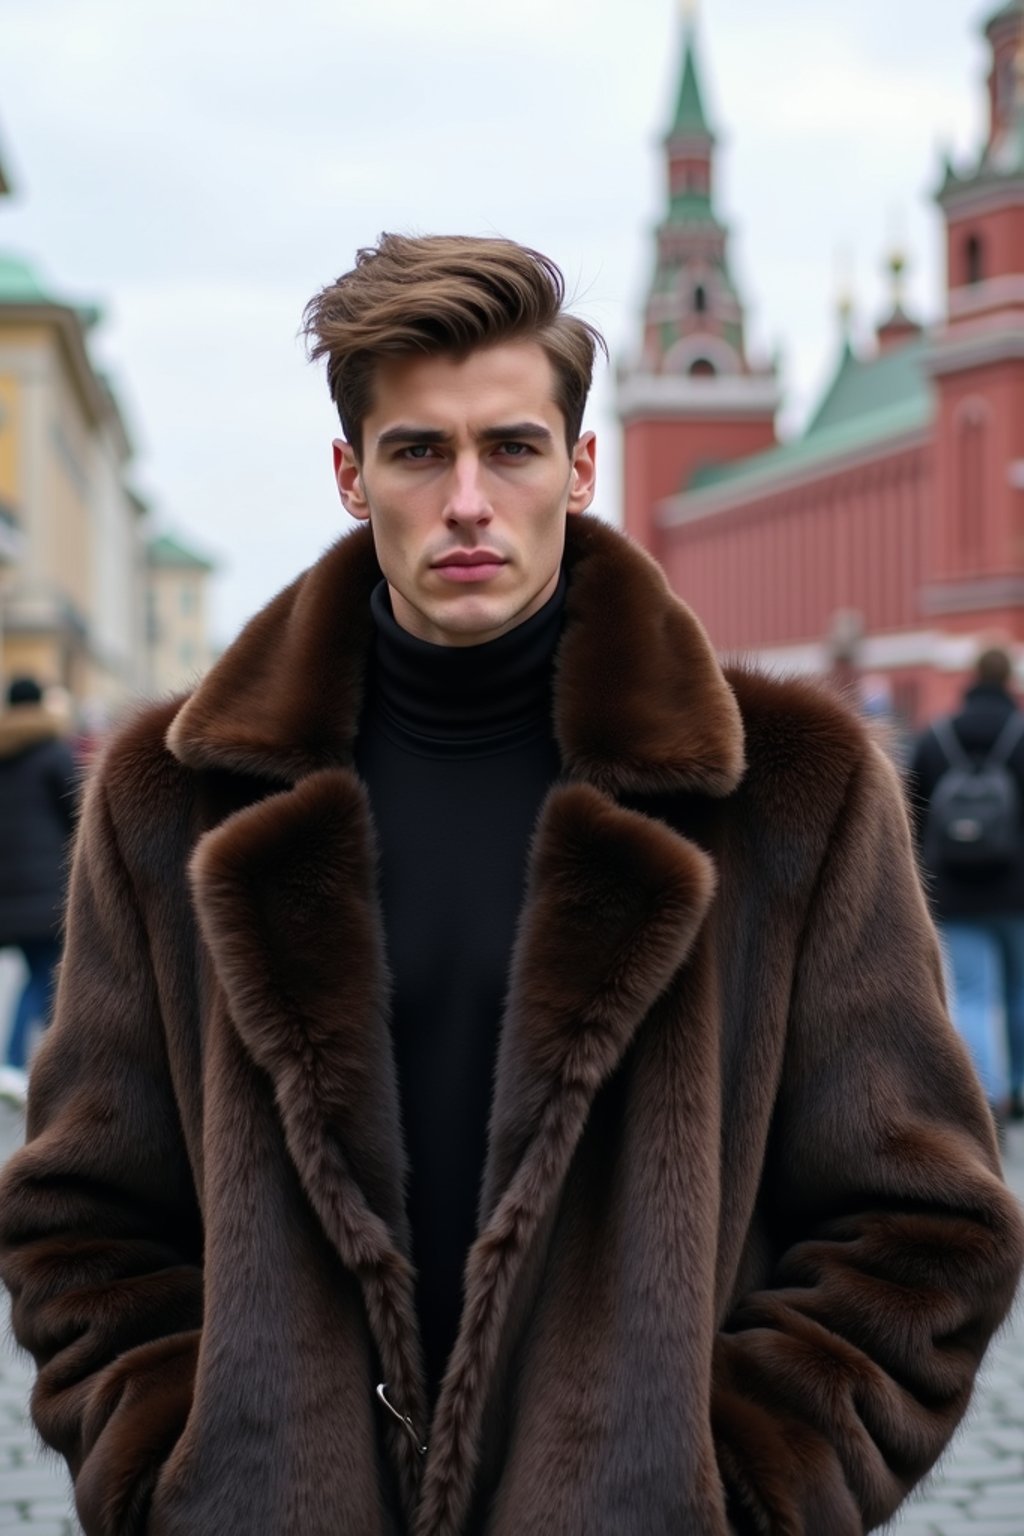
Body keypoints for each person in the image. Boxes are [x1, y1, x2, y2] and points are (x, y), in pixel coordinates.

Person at [0, 235, 1021, 1536]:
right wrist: (170, 1474)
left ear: (581, 468)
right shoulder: (176, 799)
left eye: (513, 448)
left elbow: (922, 1222)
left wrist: (748, 1495)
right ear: (351, 476)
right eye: (420, 451)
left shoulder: (787, 795)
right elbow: (81, 1213)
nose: (467, 500)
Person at [908, 645, 1024, 1134]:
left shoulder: (935, 738)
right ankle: (1019, 1090)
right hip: (1019, 894)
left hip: (954, 892)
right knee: (1020, 993)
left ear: (971, 678)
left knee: (974, 996)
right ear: (1009, 680)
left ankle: (986, 1098)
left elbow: (908, 812)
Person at [0, 676, 78, 1106]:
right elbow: (78, 815)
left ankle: (41, 1062)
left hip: (9, 893)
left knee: (45, 974)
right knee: (46, 975)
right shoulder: (53, 752)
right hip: (47, 890)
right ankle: (17, 1063)